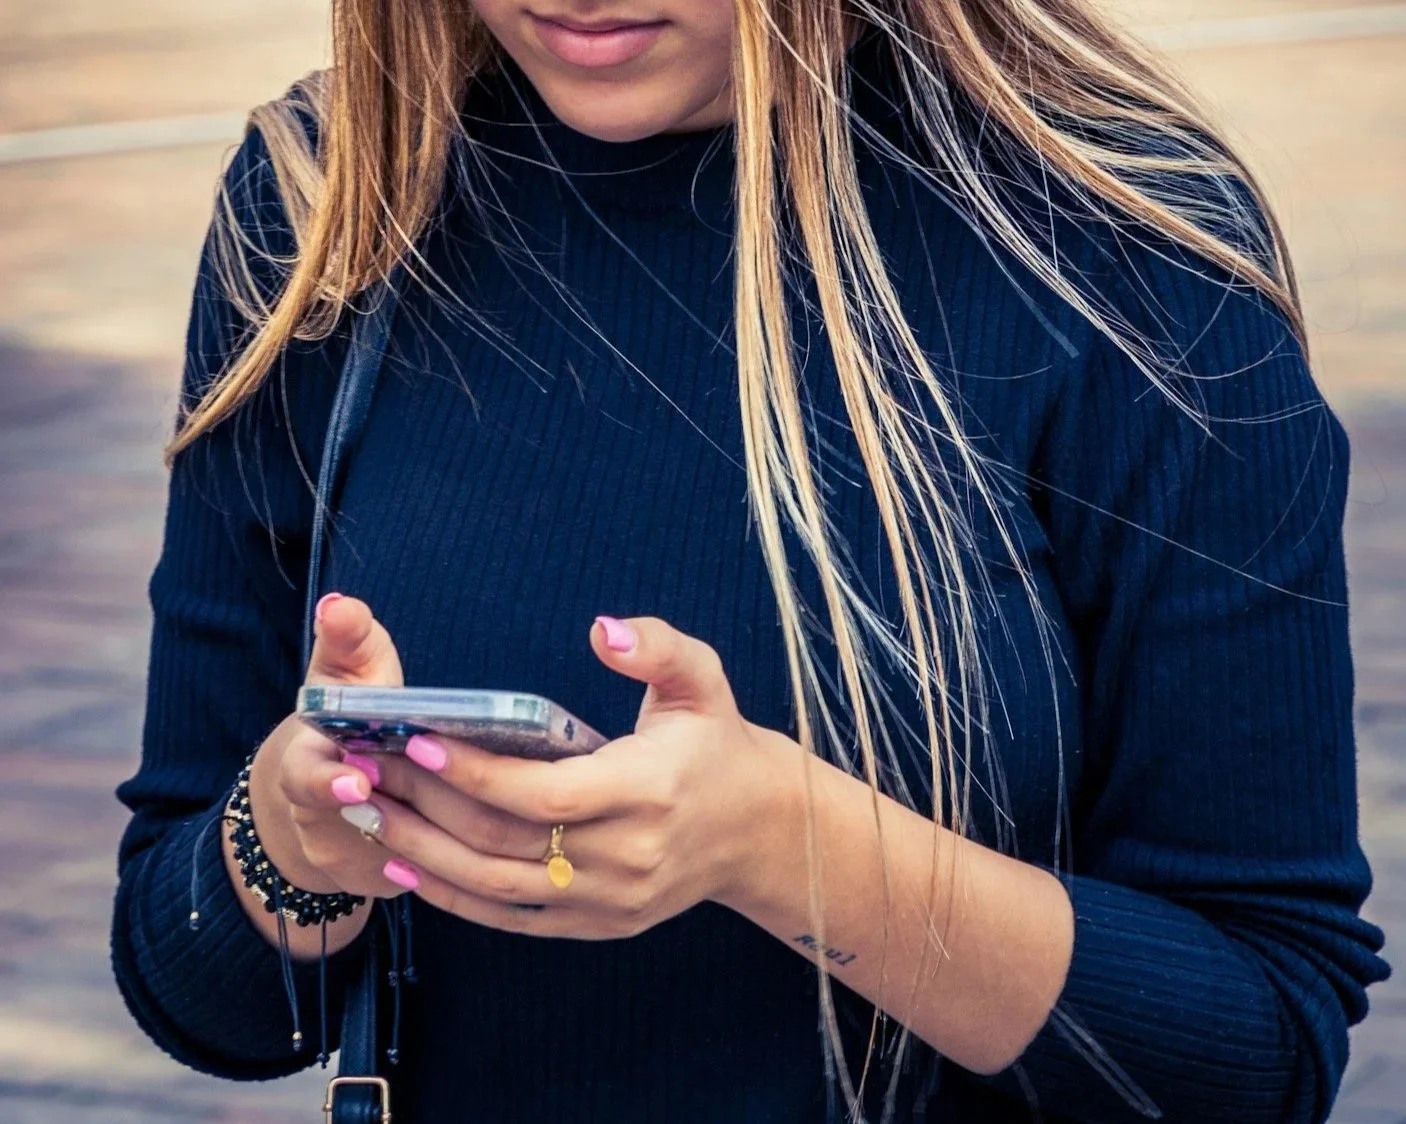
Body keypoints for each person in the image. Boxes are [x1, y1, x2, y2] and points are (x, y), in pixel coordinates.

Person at [109, 1, 1389, 1121]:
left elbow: (1258, 1046)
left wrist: (781, 843)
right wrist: (291, 834)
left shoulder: (1124, 251)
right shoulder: (323, 195)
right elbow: (202, 999)